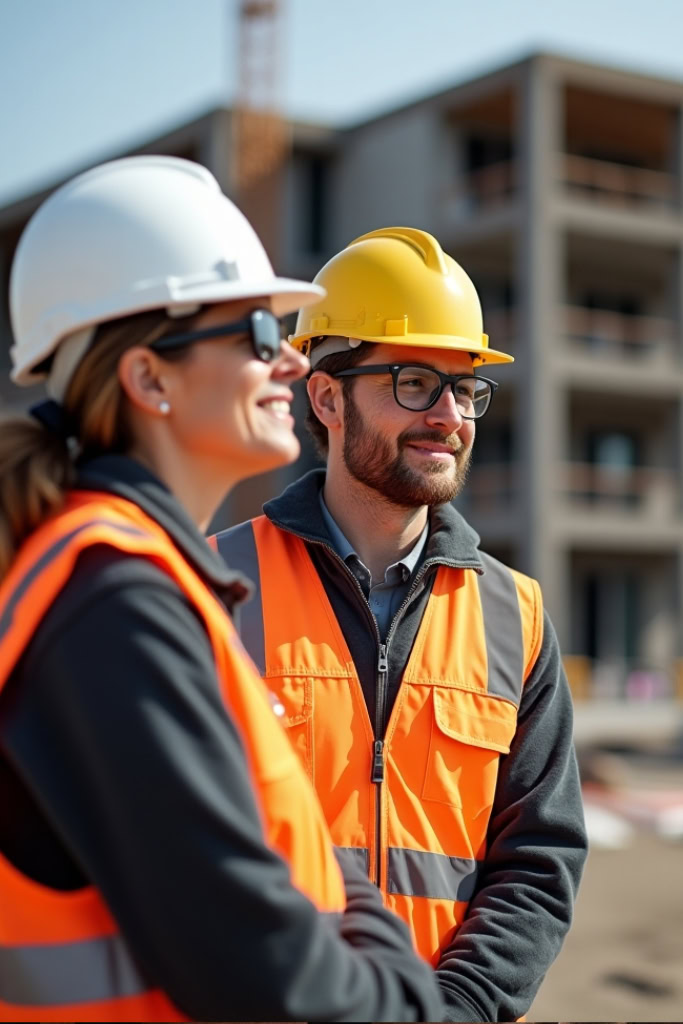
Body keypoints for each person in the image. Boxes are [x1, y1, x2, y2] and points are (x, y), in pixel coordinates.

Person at [0, 161, 444, 1023]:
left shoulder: (146, 585)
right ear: (148, 379)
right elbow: (268, 978)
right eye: (251, 329)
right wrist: (406, 996)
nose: (287, 357)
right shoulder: (113, 608)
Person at [213, 226, 589, 1023]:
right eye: (415, 381)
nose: (449, 416)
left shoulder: (513, 615)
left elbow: (536, 858)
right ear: (325, 396)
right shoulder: (215, 588)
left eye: (465, 388)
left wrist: (454, 1009)